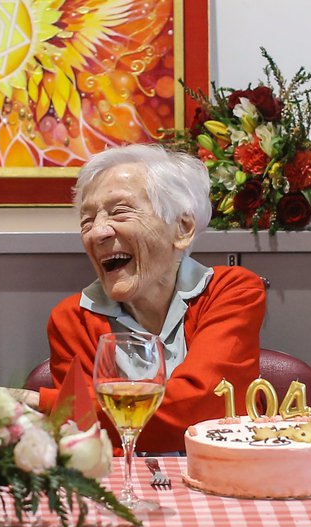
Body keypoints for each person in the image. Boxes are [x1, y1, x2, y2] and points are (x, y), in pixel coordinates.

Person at [20, 144, 266, 453]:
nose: (97, 233)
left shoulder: (232, 291)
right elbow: (88, 439)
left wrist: (35, 401)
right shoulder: (73, 319)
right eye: (87, 220)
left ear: (183, 228)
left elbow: (200, 409)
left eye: (120, 212)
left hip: (228, 485)